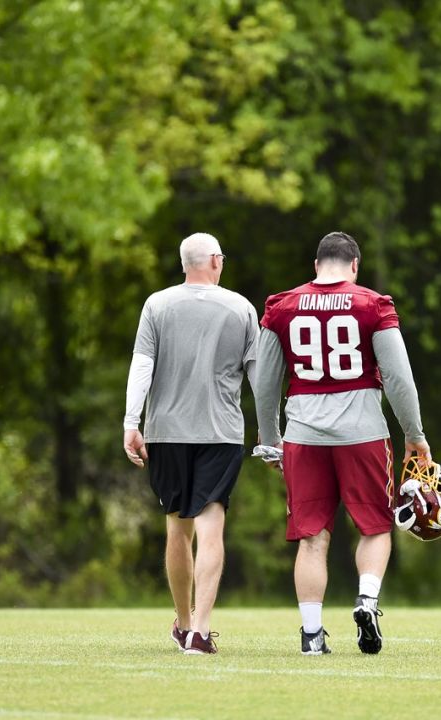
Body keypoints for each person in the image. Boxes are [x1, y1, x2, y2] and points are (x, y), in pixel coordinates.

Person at [253, 231, 429, 655]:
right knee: (375, 526)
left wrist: (270, 439)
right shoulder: (372, 304)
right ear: (355, 266)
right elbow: (400, 379)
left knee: (312, 536)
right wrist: (415, 435)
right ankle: (366, 601)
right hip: (362, 433)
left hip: (303, 435)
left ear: (316, 266)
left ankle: (312, 636)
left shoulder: (282, 306)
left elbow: (263, 382)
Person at [123, 232, 258, 656]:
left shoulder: (156, 305)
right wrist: (271, 432)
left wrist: (131, 421)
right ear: (216, 261)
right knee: (211, 526)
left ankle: (183, 624)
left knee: (177, 528)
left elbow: (141, 366)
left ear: (185, 263)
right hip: (220, 433)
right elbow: (259, 375)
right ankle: (200, 630)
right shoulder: (241, 308)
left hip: (166, 431)